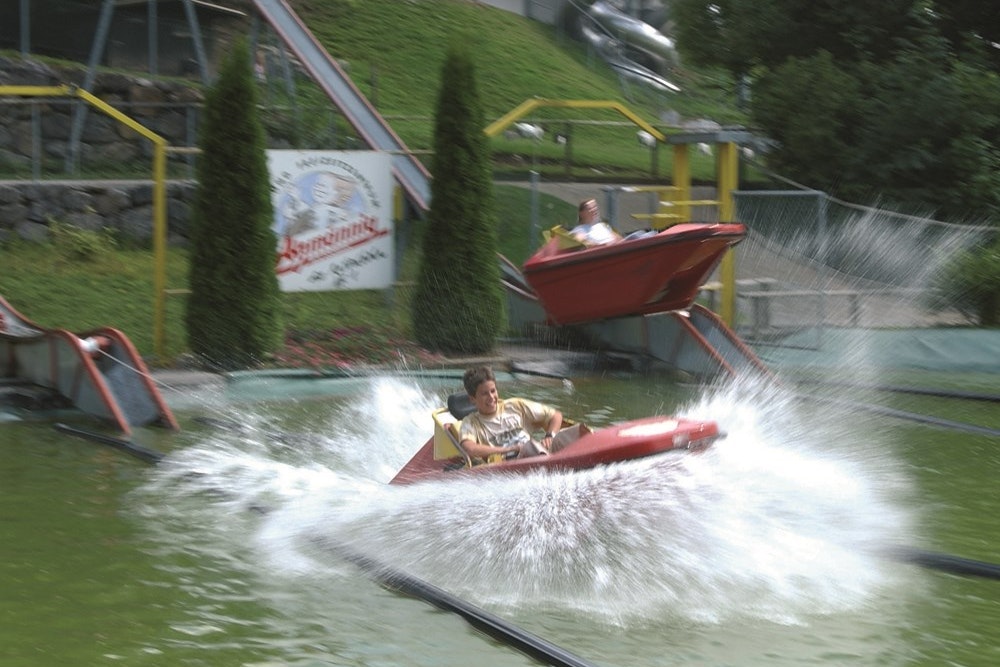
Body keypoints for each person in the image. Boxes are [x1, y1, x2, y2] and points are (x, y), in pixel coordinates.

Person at [458, 366, 589, 465]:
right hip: (510, 463)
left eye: (493, 391)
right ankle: (554, 465)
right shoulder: (470, 422)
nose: (491, 397)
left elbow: (555, 415)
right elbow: (470, 448)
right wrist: (510, 449)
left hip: (538, 452)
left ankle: (593, 459)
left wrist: (550, 435)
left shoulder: (515, 406)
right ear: (472, 399)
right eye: (484, 394)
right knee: (531, 447)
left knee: (580, 431)